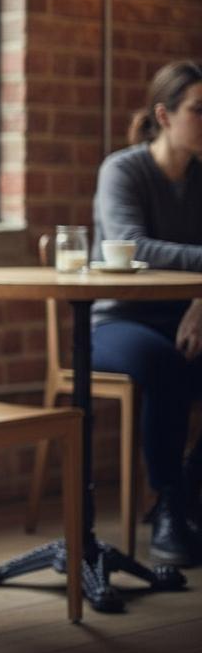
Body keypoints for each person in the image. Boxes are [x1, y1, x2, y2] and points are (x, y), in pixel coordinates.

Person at [91, 59, 202, 566]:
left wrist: (199, 300)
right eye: (198, 110)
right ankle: (168, 503)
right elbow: (130, 246)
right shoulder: (122, 170)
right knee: (164, 363)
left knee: (178, 358)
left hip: (185, 318)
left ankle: (189, 486)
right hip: (118, 321)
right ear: (164, 115)